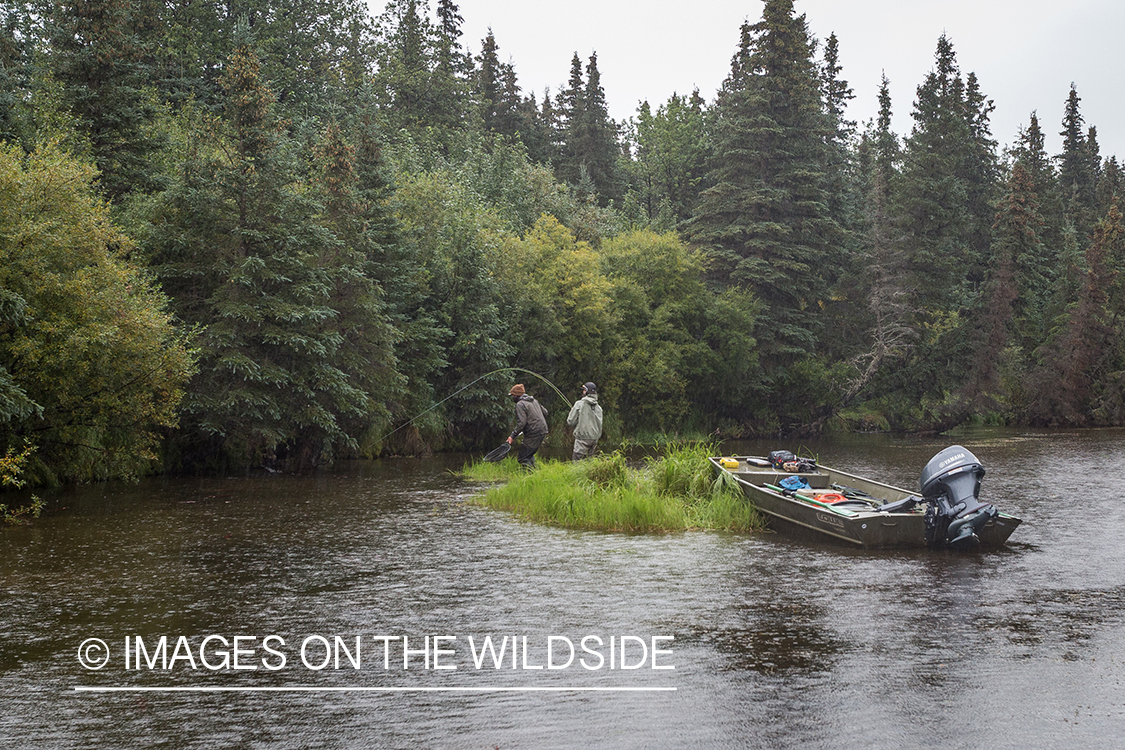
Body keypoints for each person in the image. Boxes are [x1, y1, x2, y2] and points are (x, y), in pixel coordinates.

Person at [506, 384, 549, 469]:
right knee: (529, 454)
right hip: (543, 430)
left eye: (513, 395)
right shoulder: (534, 401)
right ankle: (536, 473)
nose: (512, 398)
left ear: (517, 395)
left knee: (523, 458)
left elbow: (521, 423)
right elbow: (545, 413)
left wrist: (512, 436)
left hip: (533, 432)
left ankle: (528, 476)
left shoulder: (520, 404)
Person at [566, 382, 603, 460]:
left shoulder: (579, 404)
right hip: (594, 439)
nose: (582, 392)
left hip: (582, 439)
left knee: (577, 462)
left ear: (586, 391)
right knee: (588, 463)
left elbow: (570, 422)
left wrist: (572, 412)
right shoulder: (599, 408)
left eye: (583, 390)